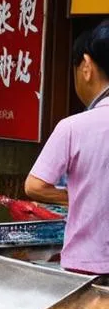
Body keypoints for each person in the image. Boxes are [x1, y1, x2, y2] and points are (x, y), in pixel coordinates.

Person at [26, 22, 109, 274]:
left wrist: (83, 196)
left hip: (87, 265)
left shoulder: (73, 127)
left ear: (86, 66)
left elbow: (34, 186)